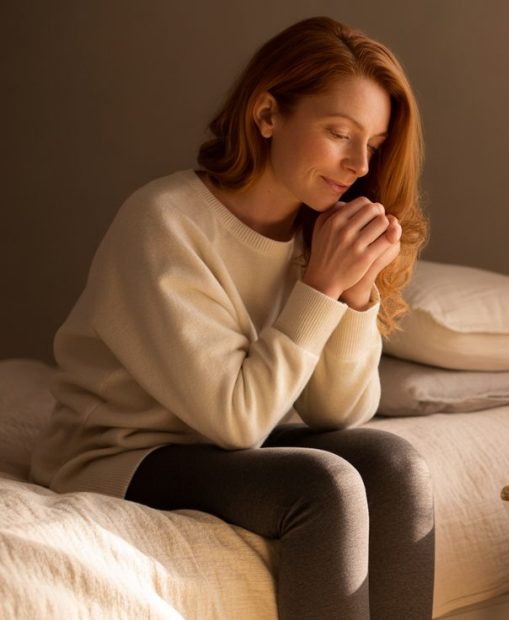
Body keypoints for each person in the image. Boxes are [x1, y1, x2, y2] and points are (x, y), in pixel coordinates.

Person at [29, 16, 433, 620]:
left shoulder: (316, 233)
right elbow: (236, 419)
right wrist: (319, 286)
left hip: (225, 446)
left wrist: (354, 291)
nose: (357, 163)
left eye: (372, 145)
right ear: (267, 115)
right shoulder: (164, 222)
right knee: (324, 487)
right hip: (125, 452)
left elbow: (337, 413)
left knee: (396, 465)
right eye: (339, 133)